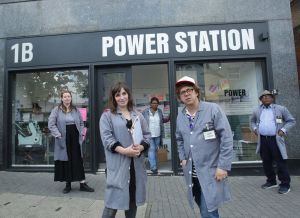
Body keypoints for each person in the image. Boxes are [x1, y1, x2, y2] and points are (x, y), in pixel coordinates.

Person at [175, 76, 233, 218]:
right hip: (192, 174)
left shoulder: (213, 109)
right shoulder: (181, 116)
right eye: (183, 92)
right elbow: (179, 139)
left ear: (196, 92)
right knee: (203, 206)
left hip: (211, 172)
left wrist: (223, 166)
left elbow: (226, 138)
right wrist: (182, 158)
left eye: (189, 90)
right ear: (180, 97)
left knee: (208, 211)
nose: (187, 94)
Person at [99, 82, 150, 218]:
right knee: (112, 203)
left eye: (124, 93)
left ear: (128, 95)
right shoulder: (107, 116)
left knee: (132, 201)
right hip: (118, 166)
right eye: (117, 95)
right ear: (113, 98)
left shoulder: (138, 115)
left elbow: (147, 135)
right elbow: (107, 139)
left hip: (136, 167)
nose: (121, 97)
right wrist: (124, 151)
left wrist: (141, 146)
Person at [48, 89, 94, 194]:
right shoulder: (56, 109)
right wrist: (58, 135)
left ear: (71, 98)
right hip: (63, 138)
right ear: (61, 98)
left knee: (78, 160)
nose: (67, 98)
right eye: (65, 96)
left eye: (68, 96)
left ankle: (82, 184)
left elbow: (82, 123)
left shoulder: (75, 110)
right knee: (66, 160)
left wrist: (82, 134)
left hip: (75, 137)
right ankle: (68, 184)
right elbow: (51, 124)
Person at [250, 90, 296, 194]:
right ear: (261, 99)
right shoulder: (257, 110)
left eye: (268, 96)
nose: (266, 98)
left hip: (275, 140)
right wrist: (254, 129)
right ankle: (271, 181)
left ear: (272, 98)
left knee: (280, 162)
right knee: (266, 162)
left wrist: (283, 130)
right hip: (263, 140)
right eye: (263, 96)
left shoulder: (281, 109)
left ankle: (285, 184)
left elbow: (291, 121)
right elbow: (252, 121)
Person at [142, 97, 169, 174]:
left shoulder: (159, 111)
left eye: (156, 103)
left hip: (158, 134)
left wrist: (169, 118)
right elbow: (142, 122)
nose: (155, 104)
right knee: (152, 149)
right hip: (149, 135)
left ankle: (153, 163)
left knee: (155, 150)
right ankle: (153, 167)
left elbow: (162, 120)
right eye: (153, 103)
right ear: (150, 104)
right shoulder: (145, 112)